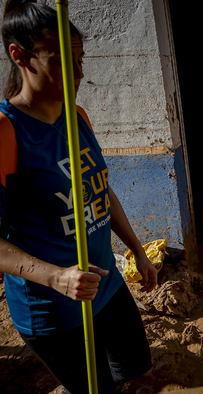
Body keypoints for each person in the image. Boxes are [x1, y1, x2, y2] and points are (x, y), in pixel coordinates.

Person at [0, 1, 158, 392]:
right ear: (19, 56)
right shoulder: (7, 132)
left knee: (134, 365)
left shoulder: (79, 117)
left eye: (80, 60)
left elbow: (100, 191)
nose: (78, 74)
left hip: (106, 284)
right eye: (59, 62)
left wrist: (136, 250)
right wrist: (56, 277)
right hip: (54, 307)